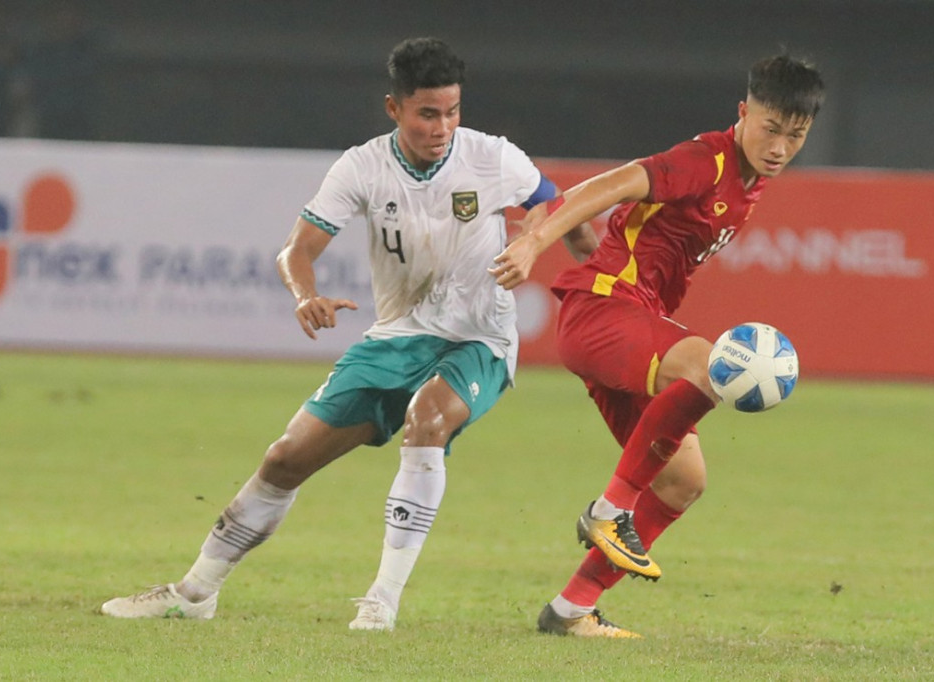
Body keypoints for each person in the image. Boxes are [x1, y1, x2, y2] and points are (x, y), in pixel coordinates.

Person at [99, 37, 596, 630]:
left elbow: (557, 206)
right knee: (285, 460)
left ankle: (381, 602)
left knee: (428, 420)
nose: (443, 127)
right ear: (394, 108)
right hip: (396, 337)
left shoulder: (492, 157)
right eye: (427, 114)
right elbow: (297, 250)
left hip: (479, 339)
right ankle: (194, 593)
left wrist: (534, 243)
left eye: (453, 111)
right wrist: (305, 295)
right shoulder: (362, 166)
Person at [490, 54, 824, 638]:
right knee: (710, 363)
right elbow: (607, 185)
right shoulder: (704, 160)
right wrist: (536, 240)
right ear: (744, 113)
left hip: (628, 322)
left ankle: (571, 609)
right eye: (770, 129)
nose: (778, 146)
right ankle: (609, 509)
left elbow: (634, 225)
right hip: (604, 310)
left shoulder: (753, 181)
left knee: (681, 480)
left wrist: (586, 241)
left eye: (794, 136)